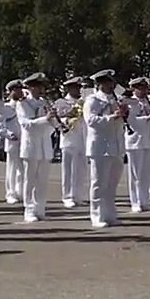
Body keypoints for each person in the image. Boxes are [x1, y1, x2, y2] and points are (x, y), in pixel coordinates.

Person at [84, 69, 126, 228]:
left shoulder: (116, 100)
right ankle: (97, 215)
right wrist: (112, 117)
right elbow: (91, 121)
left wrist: (123, 115)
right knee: (99, 182)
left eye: (112, 82)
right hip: (100, 146)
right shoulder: (93, 100)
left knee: (112, 183)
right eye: (108, 82)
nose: (111, 85)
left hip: (116, 145)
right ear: (100, 83)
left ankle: (109, 214)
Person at [17, 73, 58, 223]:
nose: (40, 89)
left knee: (42, 180)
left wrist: (56, 121)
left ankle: (40, 208)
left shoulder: (45, 103)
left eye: (41, 86)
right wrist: (45, 119)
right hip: (31, 146)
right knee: (30, 180)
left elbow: (51, 127)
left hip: (45, 146)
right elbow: (26, 125)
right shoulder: (23, 104)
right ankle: (29, 210)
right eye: (36, 86)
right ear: (30, 87)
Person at [124, 76, 150, 213]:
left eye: (145, 88)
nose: (144, 91)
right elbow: (131, 121)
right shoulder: (129, 103)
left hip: (148, 140)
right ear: (134, 89)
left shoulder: (148, 102)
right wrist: (148, 118)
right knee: (135, 175)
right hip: (135, 140)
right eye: (141, 88)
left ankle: (144, 200)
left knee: (145, 174)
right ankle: (136, 202)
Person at [56, 76, 89, 210]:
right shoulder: (61, 102)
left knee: (81, 169)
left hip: (82, 138)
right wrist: (69, 116)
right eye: (76, 87)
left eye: (79, 87)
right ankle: (68, 196)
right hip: (69, 139)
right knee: (68, 170)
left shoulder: (84, 102)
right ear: (69, 88)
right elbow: (57, 119)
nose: (79, 90)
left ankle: (78, 195)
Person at [0, 80, 25, 205]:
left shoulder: (24, 105)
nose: (19, 92)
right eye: (16, 89)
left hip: (25, 140)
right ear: (11, 91)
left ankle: (21, 192)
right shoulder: (6, 107)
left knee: (23, 169)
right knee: (12, 169)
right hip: (12, 141)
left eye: (20, 89)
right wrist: (8, 134)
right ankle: (11, 193)